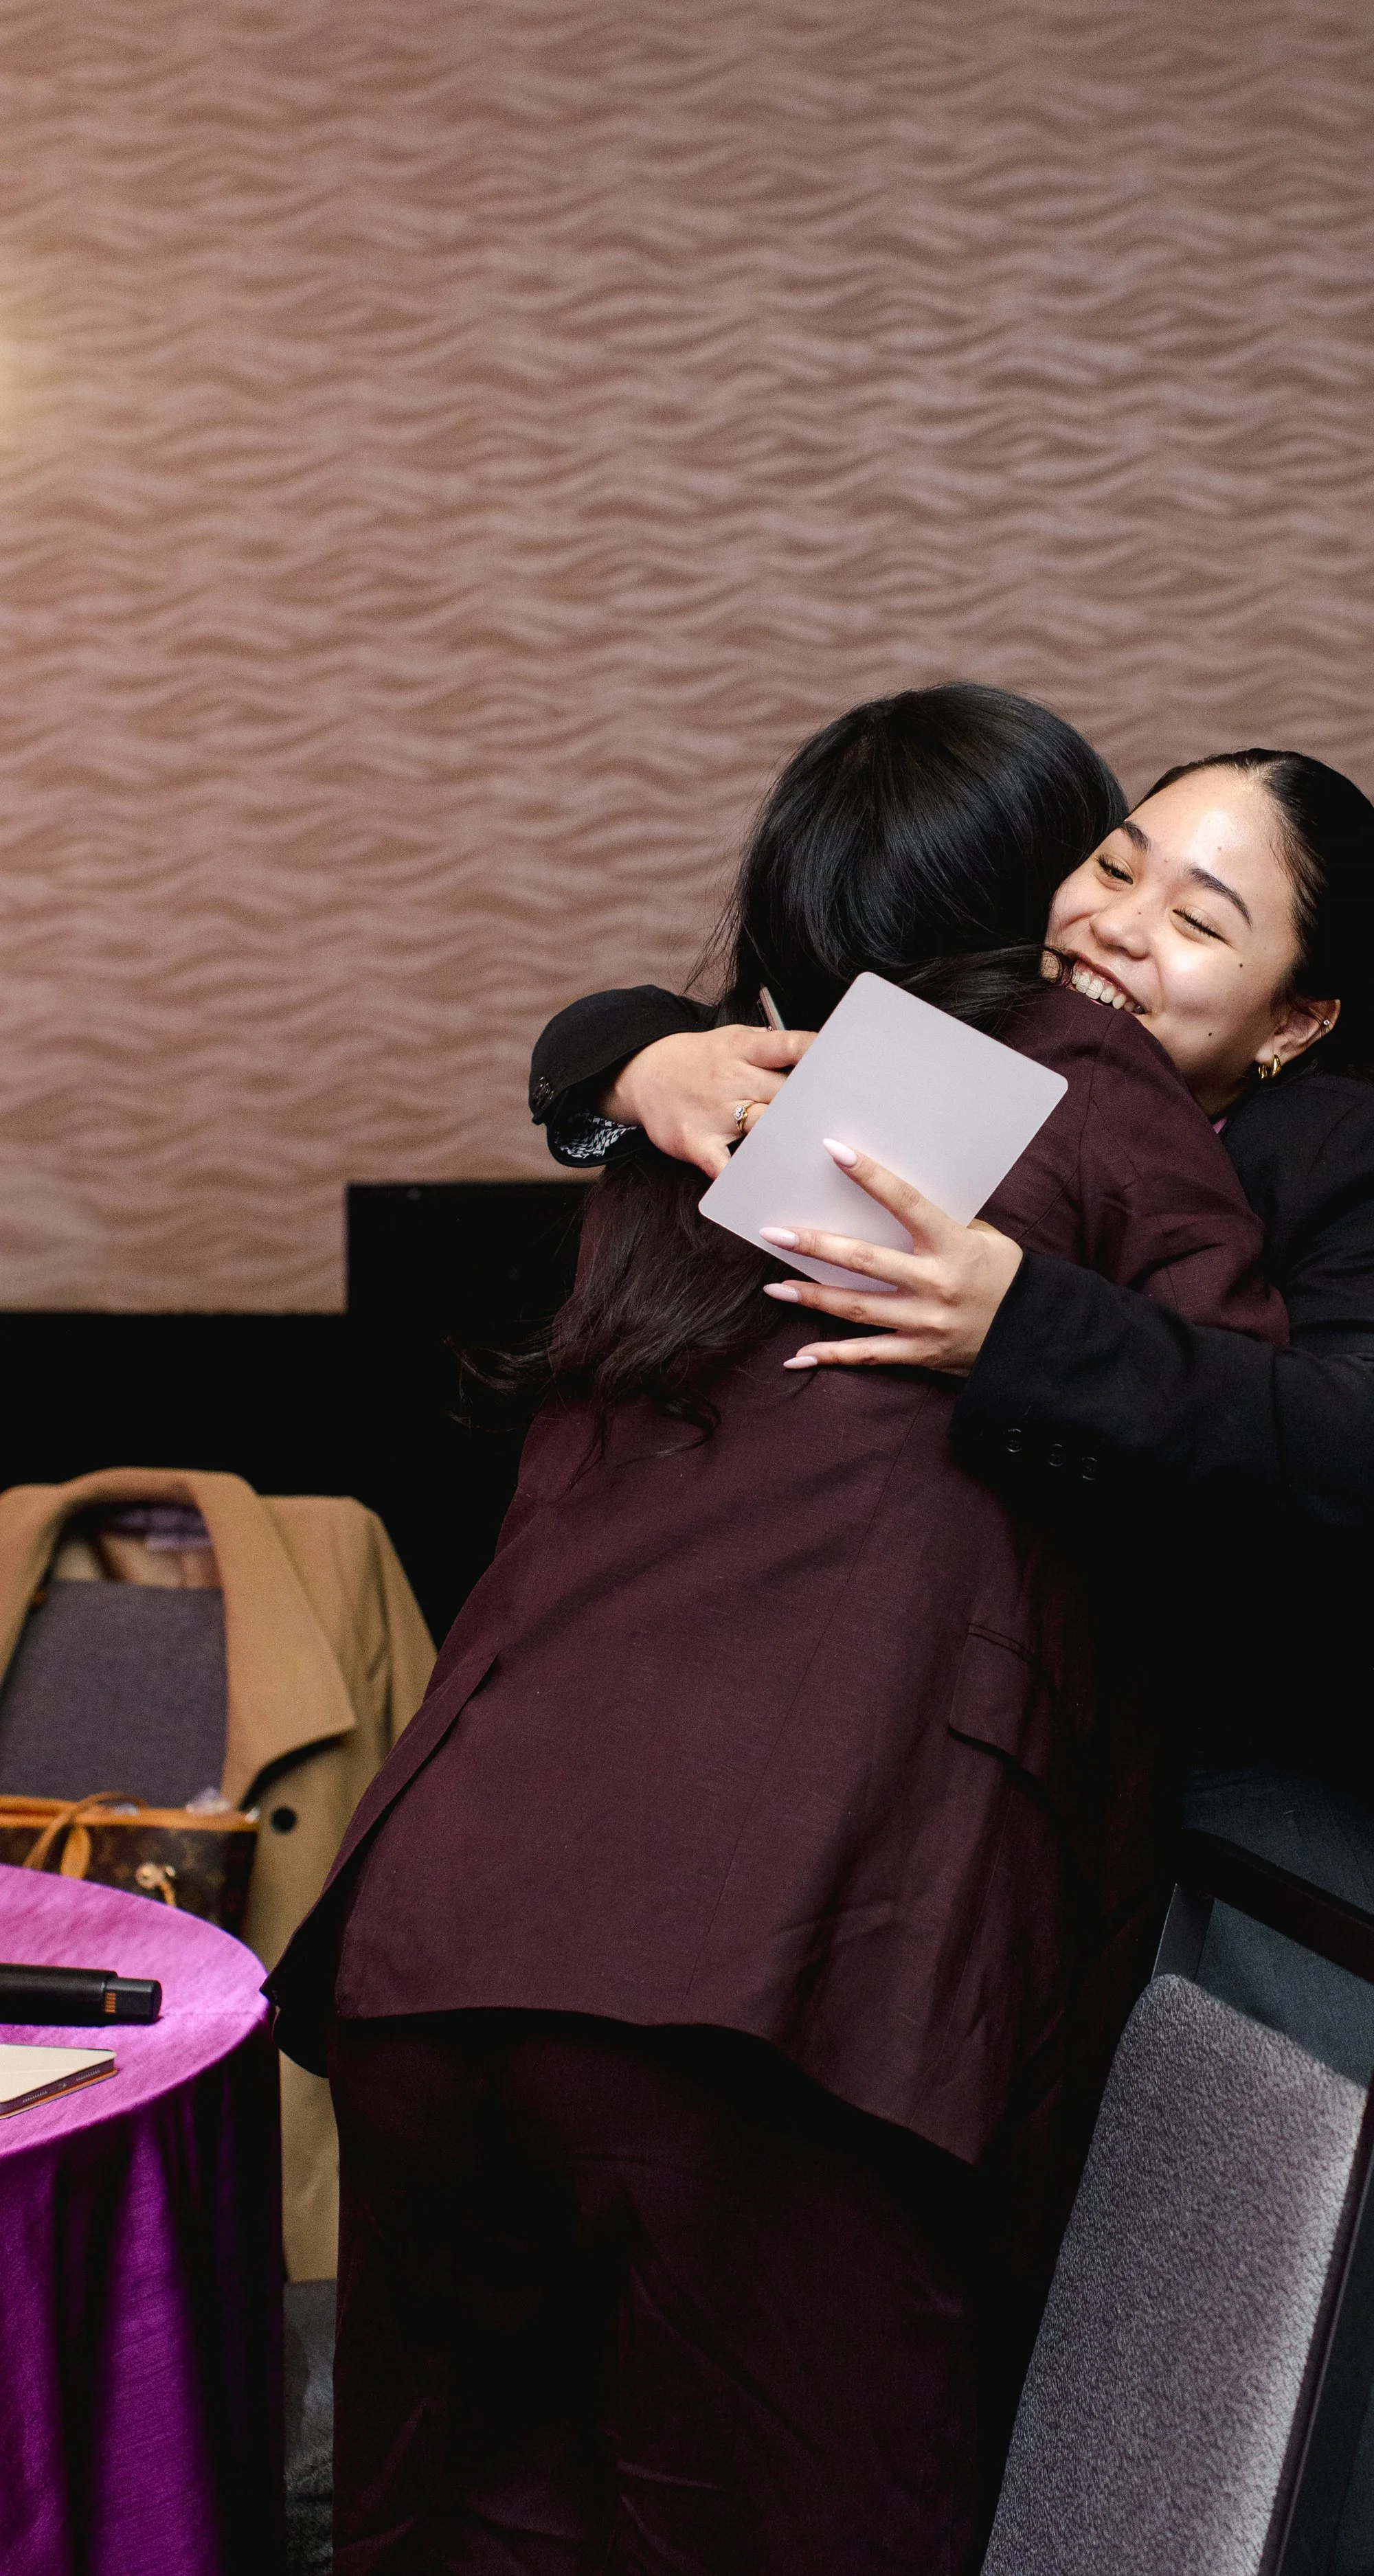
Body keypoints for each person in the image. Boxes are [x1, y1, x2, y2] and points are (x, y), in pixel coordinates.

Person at [528, 747, 1374, 2576]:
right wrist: (637, 1064)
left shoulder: (1329, 1151)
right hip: (1007, 1814)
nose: (1119, 923)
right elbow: (616, 1032)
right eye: (1114, 863)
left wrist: (1027, 1324)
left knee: (1319, 2412)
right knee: (1062, 2409)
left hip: (1267, 1825)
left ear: (1300, 1017)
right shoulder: (980, 1080)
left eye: (1203, 916)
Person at [267, 685, 1294, 2576]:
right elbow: (1254, 1456)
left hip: (443, 1938)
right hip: (774, 1966)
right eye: (1100, 861)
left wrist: (627, 1059)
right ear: (1026, 892)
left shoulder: (690, 1118)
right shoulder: (1075, 1073)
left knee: (462, 2529)